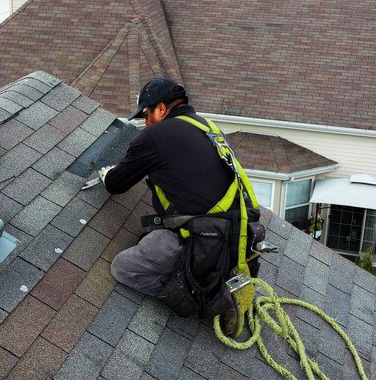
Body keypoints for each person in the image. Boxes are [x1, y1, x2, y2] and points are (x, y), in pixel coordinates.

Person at [100, 77, 260, 333]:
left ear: (161, 109)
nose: (146, 122)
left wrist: (107, 174)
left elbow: (116, 184)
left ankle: (207, 297)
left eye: (147, 115)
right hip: (235, 238)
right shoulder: (208, 128)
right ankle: (219, 280)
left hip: (205, 245)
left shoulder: (155, 136)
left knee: (124, 267)